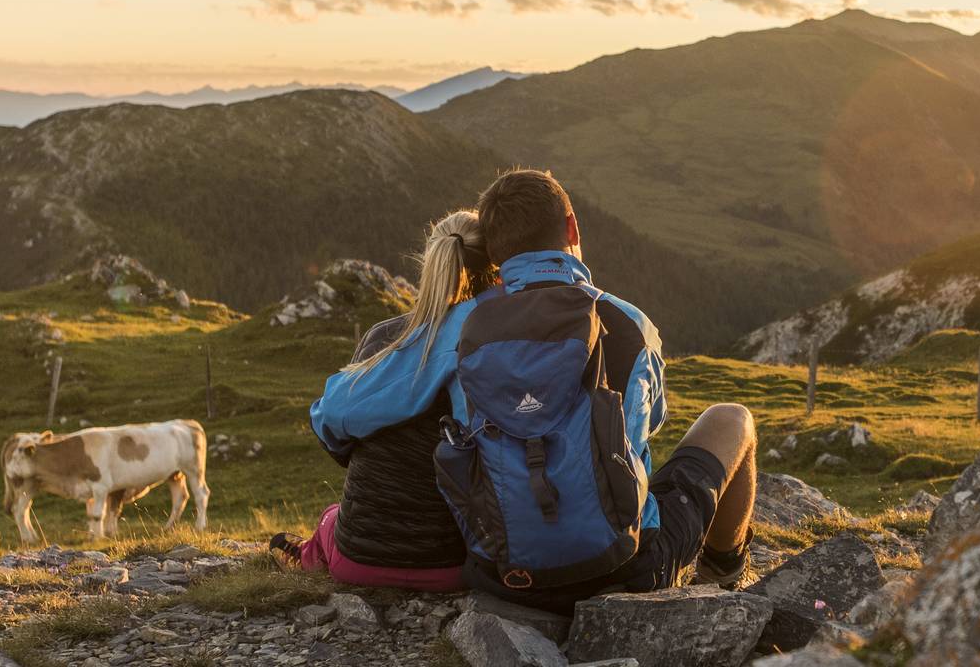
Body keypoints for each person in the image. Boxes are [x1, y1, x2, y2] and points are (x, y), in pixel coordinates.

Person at [309, 169, 758, 612]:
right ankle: (725, 570)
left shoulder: (460, 329)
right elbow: (646, 426)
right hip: (627, 569)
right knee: (732, 419)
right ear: (572, 227)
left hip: (502, 574)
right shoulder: (630, 323)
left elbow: (338, 412)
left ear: (494, 253)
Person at [269, 210, 490, 591]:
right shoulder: (502, 345)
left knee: (331, 519)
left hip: (359, 560)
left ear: (432, 262)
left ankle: (307, 556)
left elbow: (341, 443)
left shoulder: (385, 337)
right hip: (457, 564)